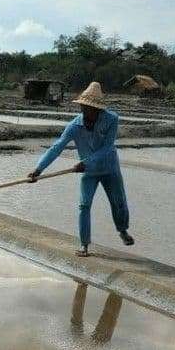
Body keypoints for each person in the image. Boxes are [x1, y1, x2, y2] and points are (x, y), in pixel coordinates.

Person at [28, 81, 133, 257]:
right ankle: (84, 244)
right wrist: (38, 170)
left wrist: (86, 162)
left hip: (109, 168)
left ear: (99, 109)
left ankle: (122, 230)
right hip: (89, 172)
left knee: (119, 202)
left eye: (91, 109)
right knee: (84, 205)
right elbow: (57, 147)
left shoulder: (111, 119)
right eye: (84, 108)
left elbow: (107, 148)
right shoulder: (75, 126)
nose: (86, 112)